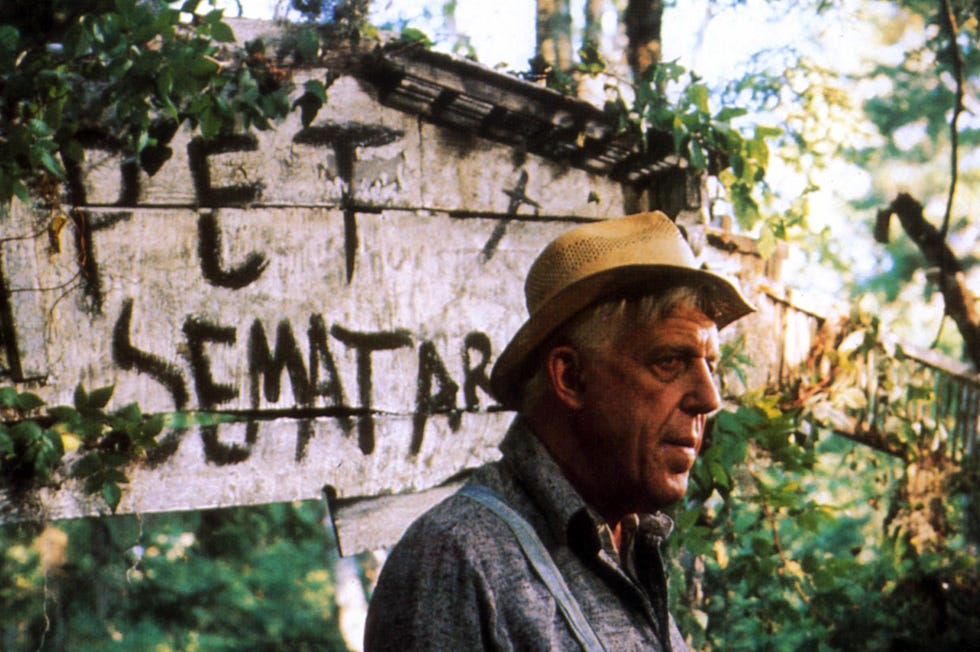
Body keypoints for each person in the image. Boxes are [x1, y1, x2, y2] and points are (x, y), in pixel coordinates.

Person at [364, 211, 755, 651]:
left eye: (710, 365)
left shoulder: (627, 548)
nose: (708, 398)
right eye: (669, 362)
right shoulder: (455, 561)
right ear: (569, 377)